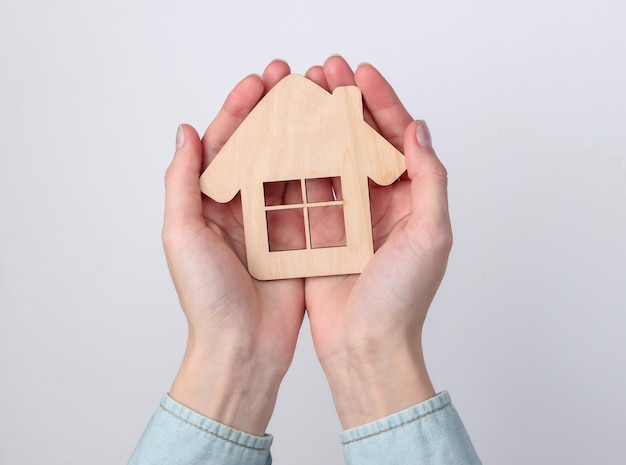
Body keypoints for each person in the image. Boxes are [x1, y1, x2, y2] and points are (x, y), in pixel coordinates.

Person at [128, 56, 481, 465]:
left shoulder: (337, 124)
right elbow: (385, 169)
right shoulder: (305, 127)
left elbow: (386, 169)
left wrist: (374, 349)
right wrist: (234, 348)